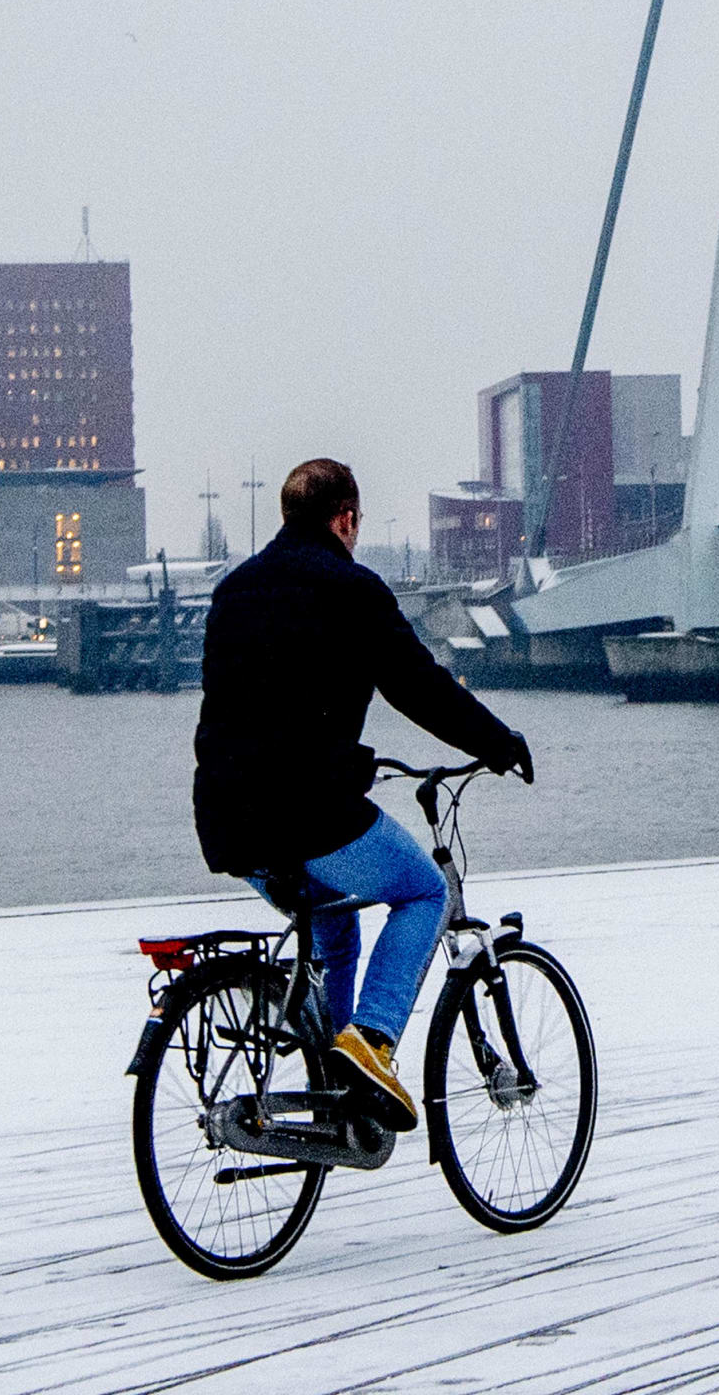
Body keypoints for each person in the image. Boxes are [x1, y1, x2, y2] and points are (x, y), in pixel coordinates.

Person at [193, 457, 531, 1129]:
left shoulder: (232, 590)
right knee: (424, 892)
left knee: (336, 925)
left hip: (228, 821)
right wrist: (497, 742)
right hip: (308, 815)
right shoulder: (352, 589)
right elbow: (419, 687)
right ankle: (372, 1040)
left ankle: (333, 1088)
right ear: (345, 519)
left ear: (290, 515)